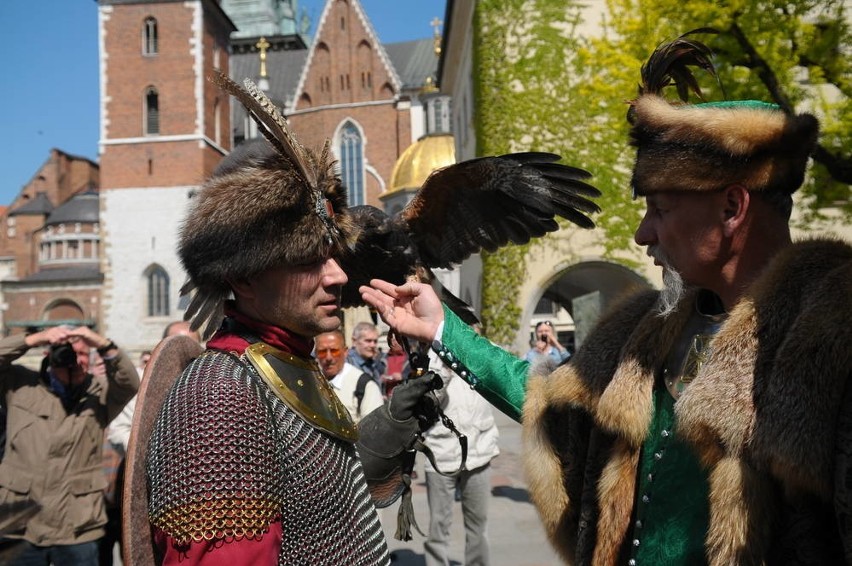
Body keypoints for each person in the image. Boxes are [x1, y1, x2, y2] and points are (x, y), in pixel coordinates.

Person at [360, 37, 852, 565]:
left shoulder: (833, 338)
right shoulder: (644, 333)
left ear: (732, 207)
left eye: (659, 209)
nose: (642, 234)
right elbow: (548, 398)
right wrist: (442, 330)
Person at [139, 74, 442, 566]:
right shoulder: (219, 397)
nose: (337, 274)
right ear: (243, 275)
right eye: (307, 259)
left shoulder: (287, 362)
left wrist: (389, 425)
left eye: (332, 253)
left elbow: (321, 504)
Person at [0, 325, 138, 566]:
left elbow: (130, 383)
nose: (75, 360)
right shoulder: (20, 385)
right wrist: (33, 339)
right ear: (48, 355)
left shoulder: (99, 394)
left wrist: (101, 342)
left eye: (83, 353)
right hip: (20, 523)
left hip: (77, 526)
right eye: (67, 352)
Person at [422, 354, 499, 566]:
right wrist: (445, 369)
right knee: (438, 525)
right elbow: (427, 400)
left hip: (479, 450)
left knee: (478, 526)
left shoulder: (483, 351)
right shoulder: (429, 358)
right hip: (441, 453)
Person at [315, 330, 384, 423]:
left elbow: (373, 430)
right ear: (316, 353)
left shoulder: (366, 386)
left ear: (345, 352)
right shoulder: (310, 380)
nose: (328, 358)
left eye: (334, 351)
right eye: (322, 352)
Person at [347, 321, 387, 387]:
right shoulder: (346, 364)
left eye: (375, 341)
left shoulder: (372, 363)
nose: (373, 345)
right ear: (354, 341)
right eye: (368, 341)